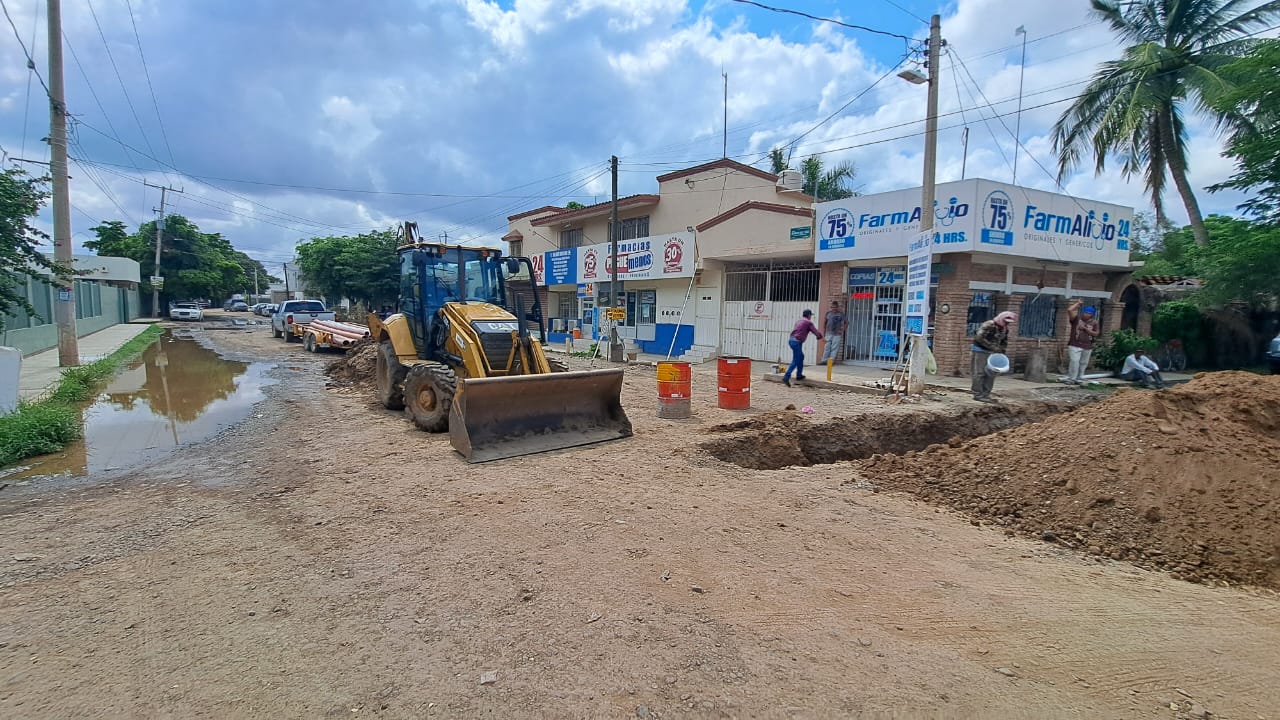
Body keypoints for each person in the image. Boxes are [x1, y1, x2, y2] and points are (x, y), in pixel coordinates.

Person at [972, 311, 1017, 402]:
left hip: (993, 352)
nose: (1007, 323)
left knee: (991, 373)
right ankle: (977, 394)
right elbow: (979, 338)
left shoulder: (1004, 329)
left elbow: (1004, 341)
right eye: (1006, 321)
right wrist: (992, 347)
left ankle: (986, 394)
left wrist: (1002, 352)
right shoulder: (989, 325)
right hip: (981, 351)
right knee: (980, 373)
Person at [783, 309, 823, 387]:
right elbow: (815, 332)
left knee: (800, 357)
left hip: (792, 340)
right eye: (810, 315)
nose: (811, 317)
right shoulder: (808, 322)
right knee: (796, 359)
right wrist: (820, 336)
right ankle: (786, 377)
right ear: (808, 315)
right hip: (797, 342)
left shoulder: (799, 321)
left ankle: (799, 375)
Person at [1065, 300, 1100, 384]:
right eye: (1085, 312)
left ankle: (1079, 378)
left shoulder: (1094, 322)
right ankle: (1071, 379)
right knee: (1074, 361)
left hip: (1087, 345)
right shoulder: (1076, 319)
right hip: (1075, 344)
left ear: (1091, 315)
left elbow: (1096, 333)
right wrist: (1078, 303)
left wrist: (1085, 329)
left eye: (1088, 313)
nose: (1085, 314)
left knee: (1083, 363)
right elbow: (1069, 310)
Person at [820, 300, 847, 366]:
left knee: (834, 348)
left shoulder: (841, 314)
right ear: (831, 307)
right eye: (832, 307)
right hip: (828, 333)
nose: (834, 308)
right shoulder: (828, 313)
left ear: (837, 307)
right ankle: (824, 361)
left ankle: (831, 362)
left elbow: (846, 322)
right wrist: (823, 334)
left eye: (835, 307)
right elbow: (824, 323)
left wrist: (842, 330)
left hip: (837, 334)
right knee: (827, 347)